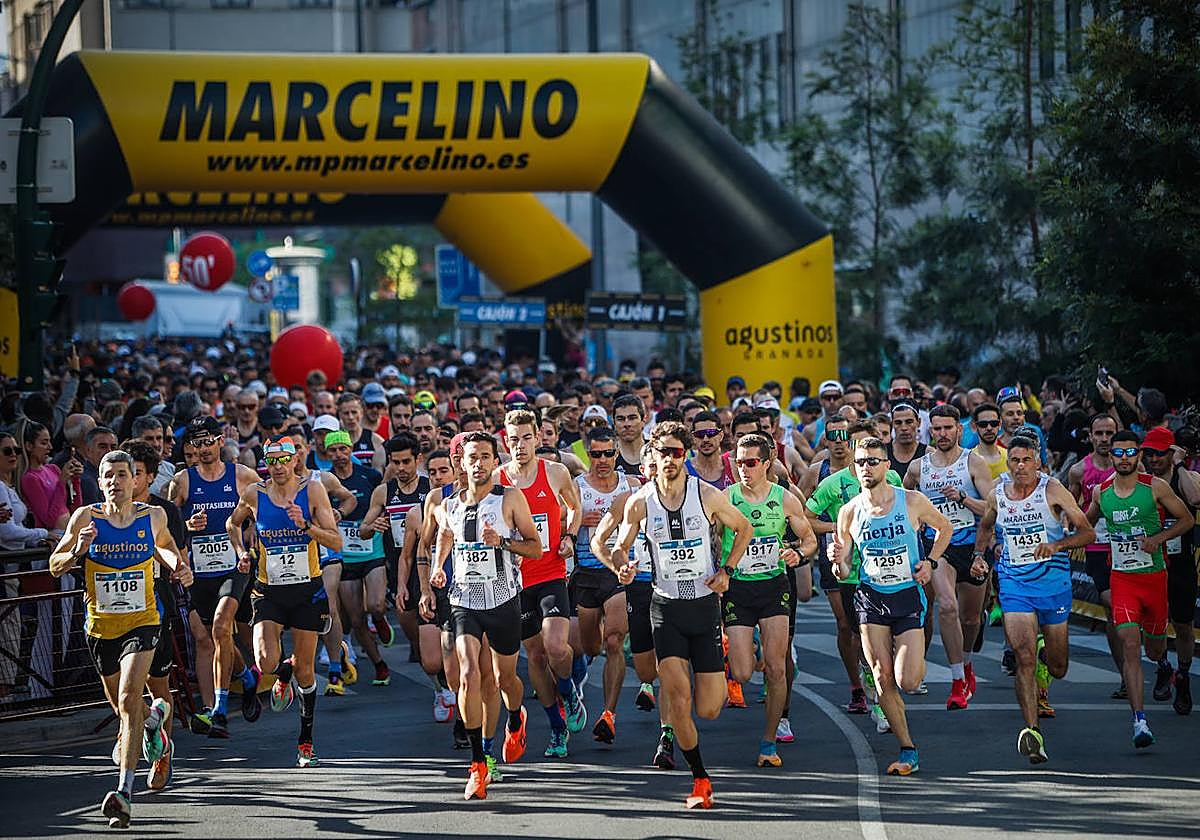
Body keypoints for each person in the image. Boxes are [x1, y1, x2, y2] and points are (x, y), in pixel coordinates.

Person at [600, 421, 753, 809]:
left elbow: (745, 528)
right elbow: (619, 545)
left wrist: (728, 571)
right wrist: (622, 565)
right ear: (652, 455)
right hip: (664, 608)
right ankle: (700, 778)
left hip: (703, 609)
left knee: (709, 708)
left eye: (676, 452)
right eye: (663, 452)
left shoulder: (707, 495)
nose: (669, 459)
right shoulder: (640, 502)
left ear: (685, 456)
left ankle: (715, 664)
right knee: (679, 699)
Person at [49, 450, 190, 828]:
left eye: (122, 475)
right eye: (108, 475)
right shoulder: (86, 517)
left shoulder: (152, 515)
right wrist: (79, 547)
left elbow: (165, 547)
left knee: (129, 699)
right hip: (100, 627)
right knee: (122, 709)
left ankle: (124, 794)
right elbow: (54, 565)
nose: (115, 482)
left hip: (142, 621)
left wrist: (179, 568)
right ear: (102, 481)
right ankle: (155, 721)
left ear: (134, 479)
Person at [429, 431, 541, 801]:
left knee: (504, 679)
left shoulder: (510, 499)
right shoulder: (450, 504)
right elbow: (445, 535)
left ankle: (515, 717)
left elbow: (536, 548)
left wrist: (503, 543)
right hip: (464, 599)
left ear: (496, 461)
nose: (478, 464)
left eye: (485, 457)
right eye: (471, 457)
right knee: (469, 673)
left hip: (504, 600)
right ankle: (479, 762)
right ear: (461, 462)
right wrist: (438, 567)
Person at [830, 437, 950, 776]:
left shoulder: (911, 501)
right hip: (870, 597)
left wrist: (930, 562)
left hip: (907, 596)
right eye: (860, 463)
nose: (866, 468)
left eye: (873, 461)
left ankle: (911, 665)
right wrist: (837, 562)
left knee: (908, 680)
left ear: (886, 465)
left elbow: (945, 529)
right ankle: (907, 748)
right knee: (882, 677)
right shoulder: (849, 512)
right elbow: (844, 567)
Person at [972, 436, 1094, 763]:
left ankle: (1045, 658)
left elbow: (1087, 533)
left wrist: (1056, 546)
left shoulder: (1052, 490)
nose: (1021, 466)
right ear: (1008, 462)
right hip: (1014, 584)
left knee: (1058, 666)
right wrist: (978, 555)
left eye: (1027, 460)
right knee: (1022, 657)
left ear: (1037, 461)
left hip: (1053, 584)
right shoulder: (998, 494)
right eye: (1015, 460)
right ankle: (1033, 732)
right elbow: (985, 526)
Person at [227, 437, 342, 768]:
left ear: (295, 460)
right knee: (265, 659)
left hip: (308, 590)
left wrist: (305, 526)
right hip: (269, 590)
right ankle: (281, 671)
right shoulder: (254, 494)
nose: (277, 467)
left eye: (283, 460)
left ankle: (305, 742)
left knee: (306, 671)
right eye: (271, 461)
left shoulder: (313, 491)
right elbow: (233, 523)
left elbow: (335, 540)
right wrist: (242, 552)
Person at [1085, 430, 1193, 748]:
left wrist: (1158, 539)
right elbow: (1085, 525)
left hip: (1154, 578)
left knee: (1155, 646)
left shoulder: (1155, 487)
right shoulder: (1101, 492)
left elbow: (1186, 519)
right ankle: (1139, 721)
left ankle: (1162, 665)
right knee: (1130, 643)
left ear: (1139, 456)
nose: (1124, 459)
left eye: (1130, 453)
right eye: (1118, 454)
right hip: (1123, 580)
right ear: (1112, 457)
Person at [721, 433, 817, 768]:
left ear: (766, 463)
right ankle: (746, 646)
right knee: (743, 672)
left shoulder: (785, 498)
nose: (743, 469)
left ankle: (769, 740)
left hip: (774, 586)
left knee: (777, 668)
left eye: (750, 463)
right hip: (738, 589)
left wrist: (797, 554)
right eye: (738, 462)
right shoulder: (725, 498)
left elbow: (809, 540)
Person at [498, 408, 586, 758]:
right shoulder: (498, 479)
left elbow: (575, 509)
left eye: (526, 438)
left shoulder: (555, 472)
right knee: (534, 655)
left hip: (550, 571)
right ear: (506, 441)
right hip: (516, 581)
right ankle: (556, 727)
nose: (520, 446)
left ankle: (567, 689)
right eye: (513, 440)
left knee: (555, 647)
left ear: (538, 437)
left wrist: (570, 536)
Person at [170, 416, 262, 738]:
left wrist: (251, 541)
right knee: (214, 637)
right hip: (199, 574)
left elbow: (263, 513)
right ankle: (247, 678)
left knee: (223, 627)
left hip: (234, 567)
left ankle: (219, 711)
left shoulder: (243, 476)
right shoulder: (183, 481)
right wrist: (186, 525)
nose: (204, 448)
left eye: (209, 441)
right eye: (197, 443)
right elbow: (167, 527)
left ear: (221, 440)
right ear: (190, 447)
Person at [903, 404, 994, 710]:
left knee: (970, 617)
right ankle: (956, 681)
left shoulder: (974, 463)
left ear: (960, 429)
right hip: (937, 547)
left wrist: (963, 498)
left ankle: (967, 663)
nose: (941, 434)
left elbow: (991, 509)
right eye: (937, 429)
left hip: (972, 547)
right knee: (947, 605)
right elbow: (906, 506)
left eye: (947, 428)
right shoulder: (919, 468)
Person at [121, 439, 186, 789]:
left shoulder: (164, 512)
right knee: (122, 693)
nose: (125, 480)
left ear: (146, 476)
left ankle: (163, 756)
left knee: (157, 686)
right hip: (114, 613)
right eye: (119, 474)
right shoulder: (103, 513)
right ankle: (143, 724)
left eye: (134, 473)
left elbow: (175, 555)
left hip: (156, 605)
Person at [572, 424, 640, 745]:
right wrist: (576, 522)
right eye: (595, 454)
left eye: (608, 454)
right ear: (588, 453)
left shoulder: (631, 485)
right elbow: (560, 522)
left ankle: (608, 714)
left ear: (616, 454)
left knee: (614, 641)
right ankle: (580, 670)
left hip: (617, 572)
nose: (602, 460)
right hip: (585, 573)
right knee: (590, 647)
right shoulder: (577, 486)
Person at [325, 429, 392, 686]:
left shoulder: (369, 476)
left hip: (372, 550)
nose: (339, 455)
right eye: (334, 450)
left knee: (375, 604)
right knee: (355, 619)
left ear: (351, 449)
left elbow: (384, 503)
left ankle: (380, 617)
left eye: (343, 449)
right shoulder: (326, 482)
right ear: (327, 453)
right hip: (344, 556)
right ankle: (379, 663)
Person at [1140, 426, 1199, 714]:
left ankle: (1184, 674)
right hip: (1150, 564)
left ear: (1172, 452)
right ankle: (1163, 666)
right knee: (1151, 624)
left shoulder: (1185, 477)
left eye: (1160, 453)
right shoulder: (1142, 480)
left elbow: (1196, 498)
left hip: (1181, 564)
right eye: (1149, 453)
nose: (1153, 459)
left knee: (1184, 624)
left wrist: (1179, 465)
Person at [361, 433, 430, 668]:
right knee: (414, 634)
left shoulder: (430, 487)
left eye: (406, 462)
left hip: (429, 565)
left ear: (418, 459)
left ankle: (445, 690)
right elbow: (362, 531)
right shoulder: (383, 492)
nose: (400, 468)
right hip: (399, 566)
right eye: (395, 462)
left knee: (437, 634)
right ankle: (435, 680)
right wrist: (373, 526)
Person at [1067, 414, 1123, 694]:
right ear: (1090, 436)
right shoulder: (1079, 470)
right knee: (1112, 606)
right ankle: (1127, 673)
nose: (1104, 439)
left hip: (1130, 545)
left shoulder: (1129, 466)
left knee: (1132, 611)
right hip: (1098, 546)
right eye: (1098, 433)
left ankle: (1152, 661)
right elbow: (1071, 507)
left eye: (1109, 433)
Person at [20, 420, 76, 531]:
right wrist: (62, 482)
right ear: (29, 446)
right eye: (44, 443)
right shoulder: (30, 478)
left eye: (49, 442)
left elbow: (74, 508)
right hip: (53, 537)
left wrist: (75, 480)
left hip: (69, 532)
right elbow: (49, 521)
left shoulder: (53, 469)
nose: (50, 447)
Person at [337, 392, 385, 470]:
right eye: (346, 413)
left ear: (362, 413)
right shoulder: (334, 441)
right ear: (340, 415)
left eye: (354, 412)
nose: (351, 417)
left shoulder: (376, 441)